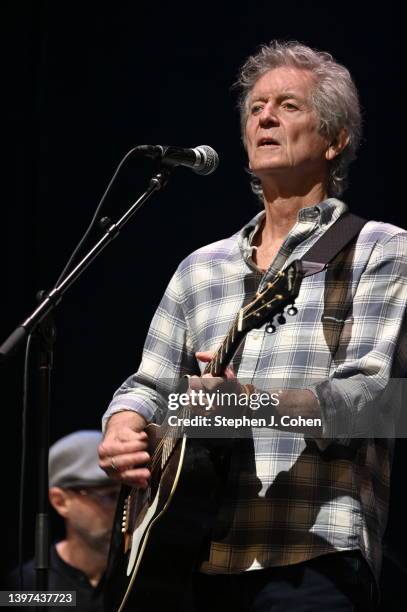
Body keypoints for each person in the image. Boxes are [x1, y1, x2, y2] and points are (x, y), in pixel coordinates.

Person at [98, 40, 407, 611]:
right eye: (256, 107)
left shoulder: (377, 249)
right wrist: (123, 426)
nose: (264, 116)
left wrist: (251, 404)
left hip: (312, 556)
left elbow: (376, 401)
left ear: (335, 140)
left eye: (288, 105)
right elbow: (148, 386)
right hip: (193, 553)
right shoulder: (201, 268)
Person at [6, 430, 119, 612]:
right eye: (110, 495)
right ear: (60, 501)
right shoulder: (22, 588)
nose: (123, 507)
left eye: (127, 495)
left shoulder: (151, 578)